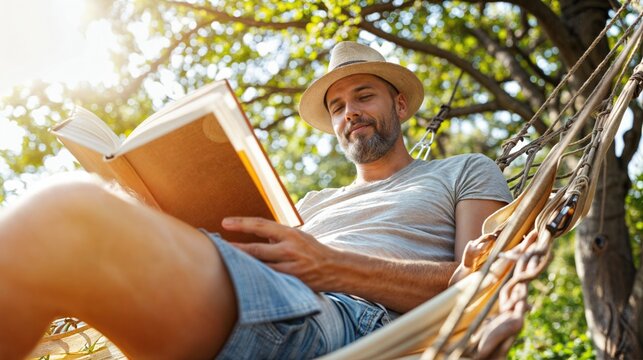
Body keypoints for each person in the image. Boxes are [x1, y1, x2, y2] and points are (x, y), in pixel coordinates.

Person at [0, 41, 512, 359]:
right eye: (336, 106)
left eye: (363, 96)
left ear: (399, 103)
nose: (349, 112)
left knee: (63, 215)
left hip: (352, 320)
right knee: (65, 243)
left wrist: (332, 267)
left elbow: (480, 284)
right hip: (268, 295)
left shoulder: (463, 170)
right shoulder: (311, 203)